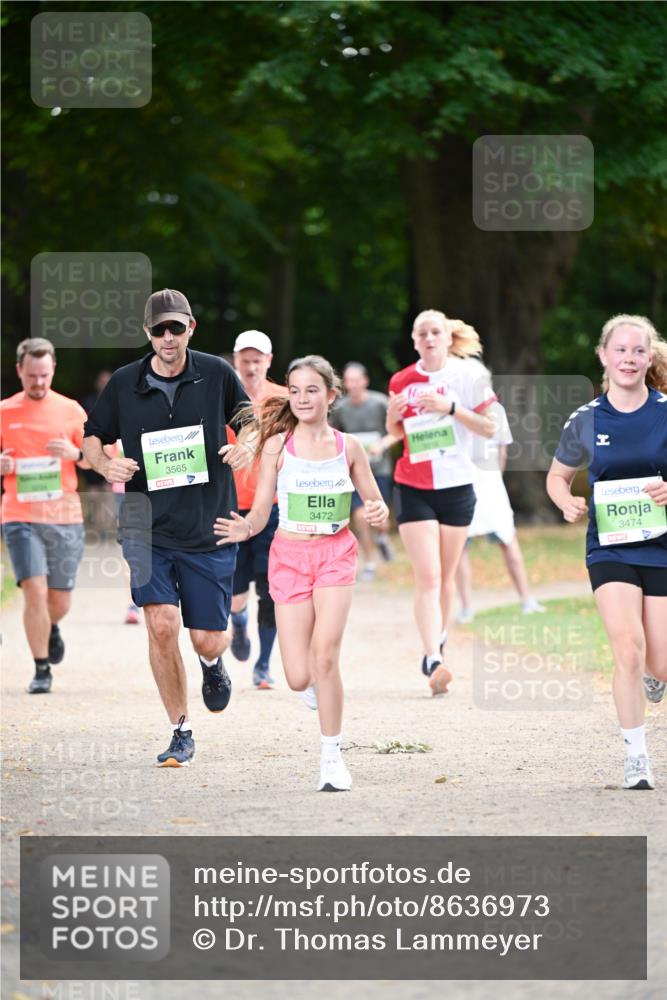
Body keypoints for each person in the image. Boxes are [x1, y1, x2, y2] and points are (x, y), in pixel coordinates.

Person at [82, 289, 253, 768]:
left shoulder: (217, 373)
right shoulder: (124, 382)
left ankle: (213, 664)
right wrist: (104, 464)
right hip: (145, 526)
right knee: (161, 624)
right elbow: (92, 436)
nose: (168, 337)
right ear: (147, 333)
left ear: (191, 328)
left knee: (206, 638)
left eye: (176, 328)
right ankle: (180, 729)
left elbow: (250, 420)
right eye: (159, 329)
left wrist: (248, 447)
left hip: (207, 524)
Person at [214, 355, 388, 791]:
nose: (302, 398)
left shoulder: (349, 447)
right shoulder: (277, 446)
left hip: (335, 555)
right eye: (294, 390)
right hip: (289, 557)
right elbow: (259, 514)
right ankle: (311, 684)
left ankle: (332, 757)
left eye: (312, 390)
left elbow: (374, 501)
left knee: (325, 656)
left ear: (331, 396)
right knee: (297, 675)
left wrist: (379, 509)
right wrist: (244, 528)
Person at [547, 314, 667, 791]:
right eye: (620, 350)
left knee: (658, 662)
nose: (629, 359)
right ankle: (636, 756)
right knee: (628, 649)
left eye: (638, 351)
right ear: (603, 356)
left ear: (650, 357)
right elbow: (556, 477)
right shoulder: (587, 418)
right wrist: (566, 501)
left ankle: (654, 676)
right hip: (610, 549)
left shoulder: (666, 411)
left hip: (660, 546)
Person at [387, 309, 497, 695]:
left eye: (436, 332)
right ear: (415, 341)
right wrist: (391, 415)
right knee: (428, 576)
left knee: (446, 578)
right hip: (413, 484)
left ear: (448, 338)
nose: (430, 338)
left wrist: (450, 408)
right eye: (422, 333)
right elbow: (395, 432)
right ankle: (433, 656)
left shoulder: (470, 376)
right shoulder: (401, 379)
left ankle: (440, 637)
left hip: (458, 485)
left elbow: (490, 427)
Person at [1, 338, 87, 694]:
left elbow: (101, 457)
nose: (38, 382)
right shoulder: (4, 411)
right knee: (34, 590)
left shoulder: (71, 410)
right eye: (32, 376)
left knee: (58, 600)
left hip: (64, 515)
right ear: (20, 371)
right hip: (19, 513)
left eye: (45, 375)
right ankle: (41, 669)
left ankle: (51, 627)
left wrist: (75, 451)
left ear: (53, 371)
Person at [225, 330, 288, 689]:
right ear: (236, 361)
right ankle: (238, 622)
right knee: (235, 593)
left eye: (257, 360)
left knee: (272, 588)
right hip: (231, 506)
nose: (251, 367)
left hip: (274, 508)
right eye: (245, 360)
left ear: (269, 360)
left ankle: (263, 665)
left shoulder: (283, 399)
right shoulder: (221, 396)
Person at [455, 403, 545, 622]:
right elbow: (502, 453)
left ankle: (470, 607)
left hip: (477, 485)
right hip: (476, 484)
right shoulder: (474, 408)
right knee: (465, 548)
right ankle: (524, 600)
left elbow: (502, 450)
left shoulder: (456, 408)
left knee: (470, 548)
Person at [330, 362, 397, 581]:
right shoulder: (341, 408)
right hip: (354, 472)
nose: (352, 384)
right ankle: (369, 562)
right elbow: (332, 434)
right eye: (348, 380)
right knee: (360, 516)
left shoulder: (380, 403)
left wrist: (382, 445)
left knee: (380, 518)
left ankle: (382, 537)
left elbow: (396, 430)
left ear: (365, 381)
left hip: (380, 469)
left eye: (356, 380)